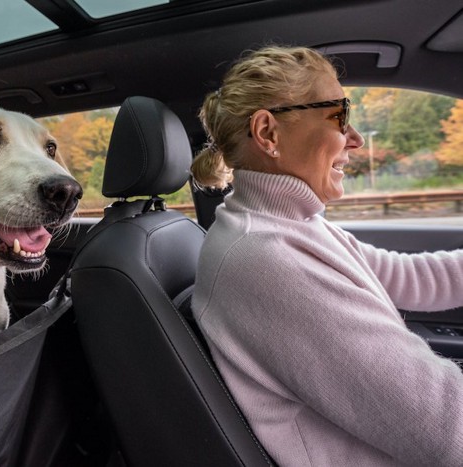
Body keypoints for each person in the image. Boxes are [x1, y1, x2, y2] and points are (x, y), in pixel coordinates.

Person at [190, 45, 463, 466]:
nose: (354, 139)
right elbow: (447, 427)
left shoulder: (291, 227)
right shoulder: (266, 259)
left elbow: (413, 278)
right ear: (268, 134)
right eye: (339, 116)